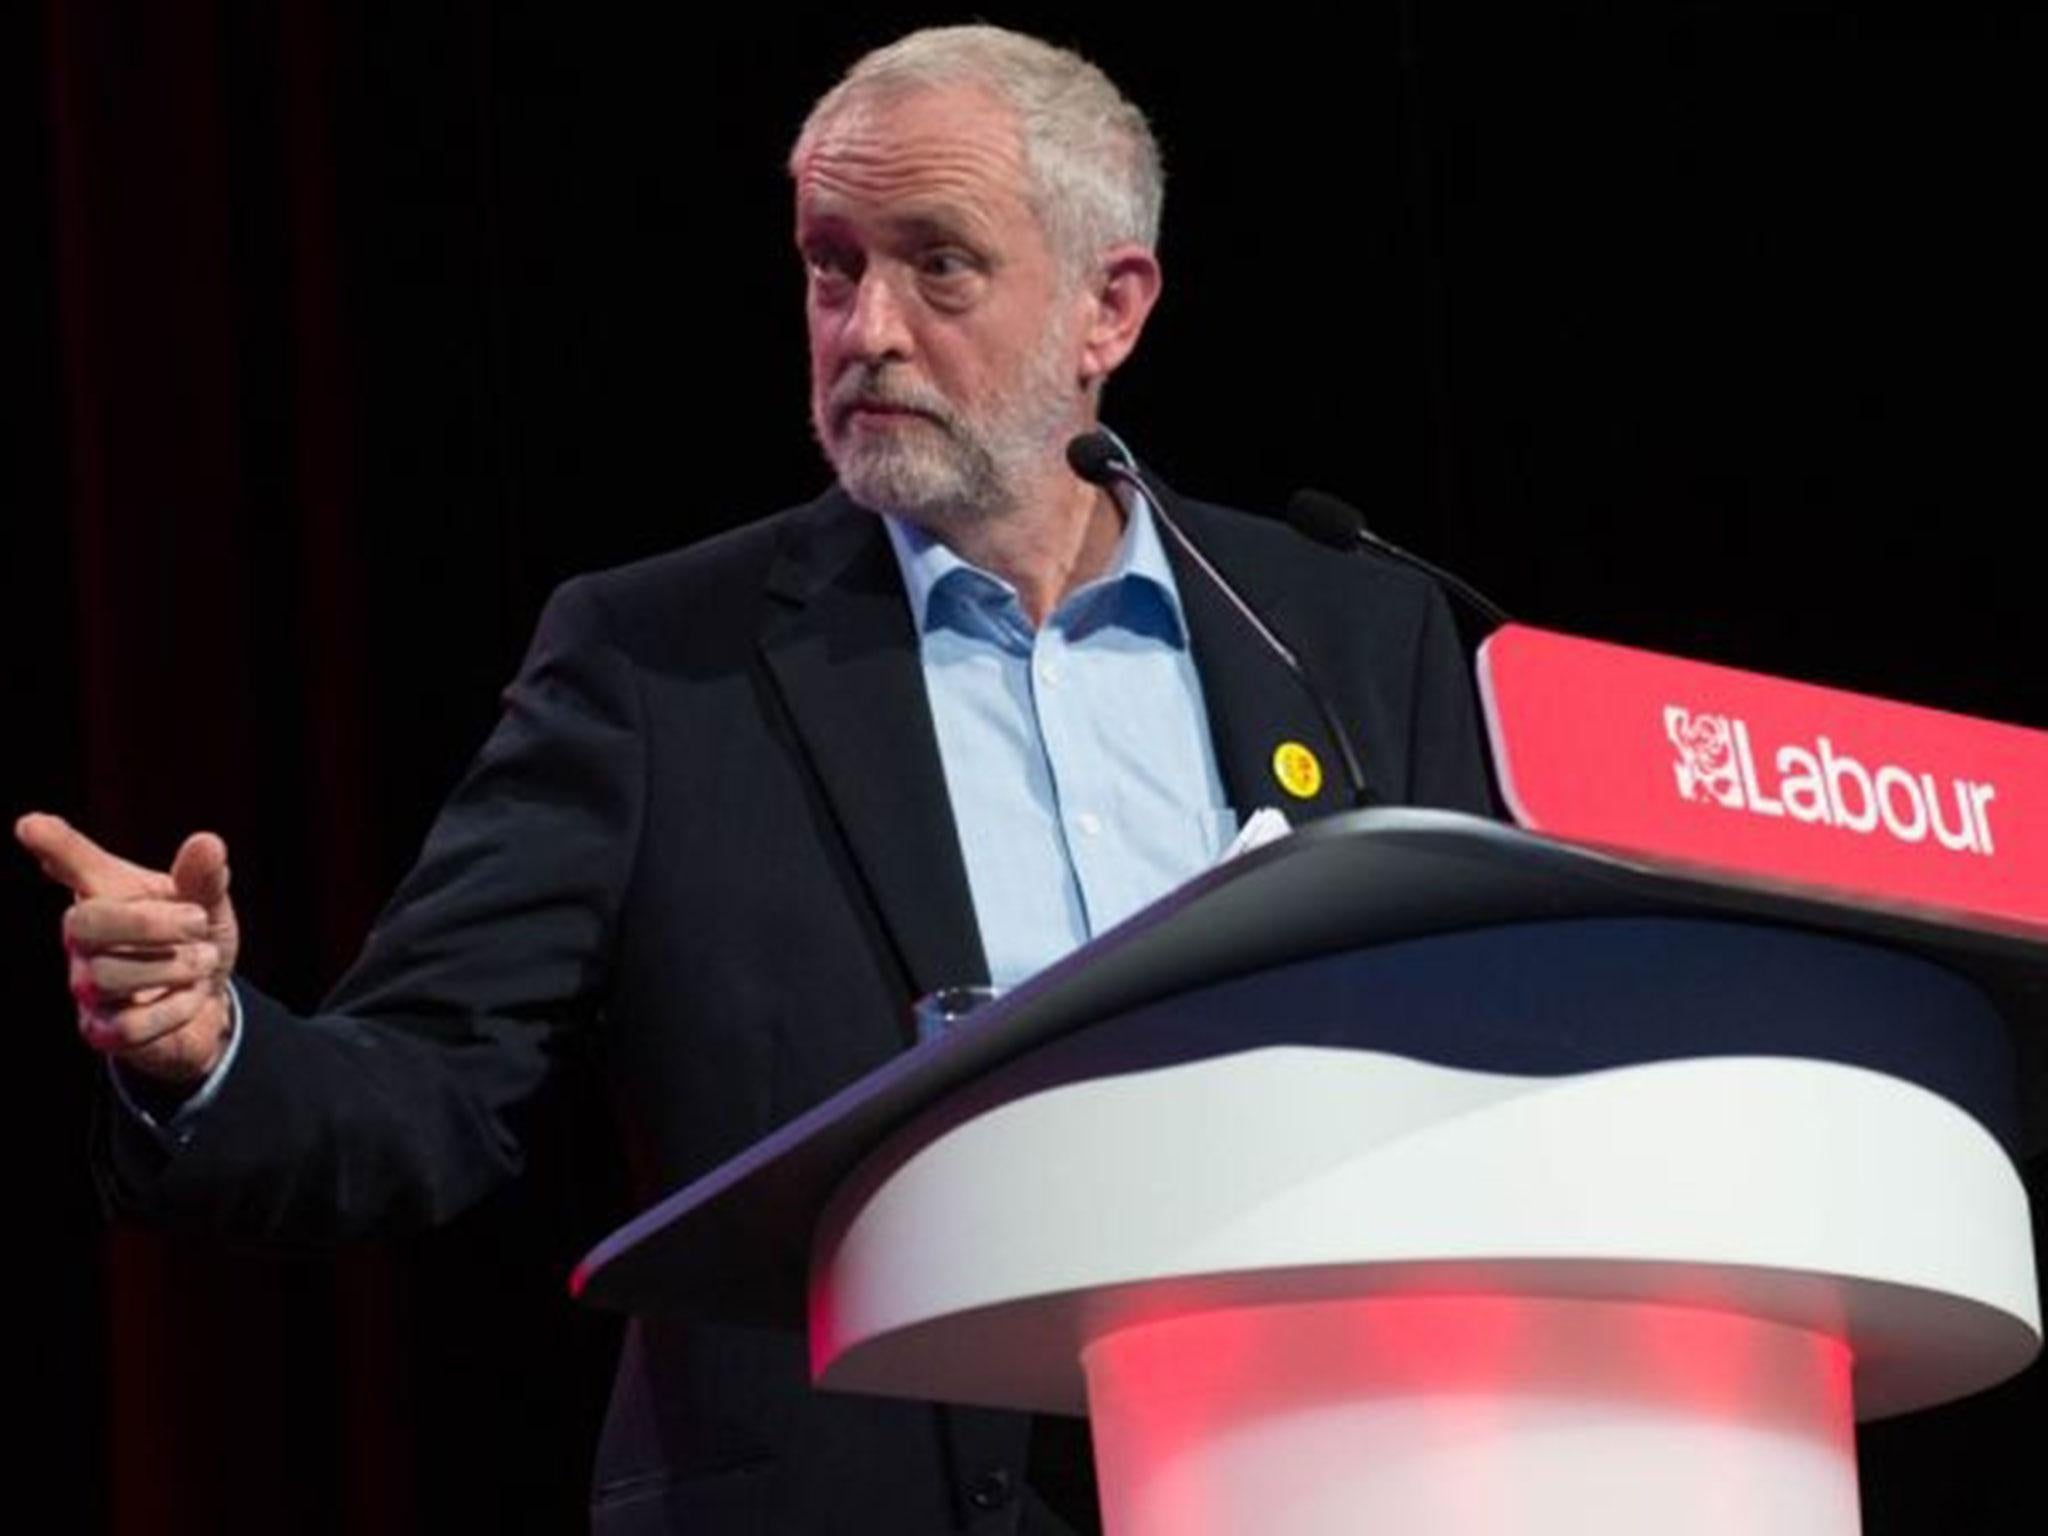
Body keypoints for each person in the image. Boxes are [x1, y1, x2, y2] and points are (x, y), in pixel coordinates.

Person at [19, 25, 1492, 1535]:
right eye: (829, 266)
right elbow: (430, 1087)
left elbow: (1487, 1073)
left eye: (940, 267)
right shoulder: (664, 667)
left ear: (1109, 308)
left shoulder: (1346, 630)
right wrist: (204, 1052)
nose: (866, 331)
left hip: (1314, 1469)